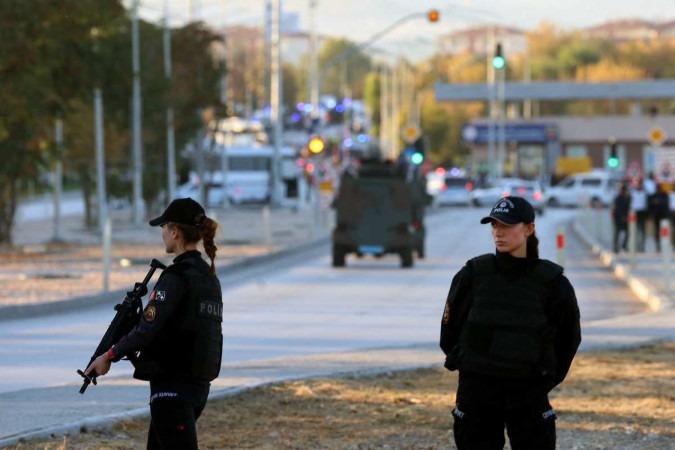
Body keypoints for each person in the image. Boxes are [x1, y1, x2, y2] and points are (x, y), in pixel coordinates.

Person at [439, 196, 581, 450]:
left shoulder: (552, 283)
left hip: (527, 391)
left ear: (529, 229)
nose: (498, 233)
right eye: (494, 225)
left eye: (507, 226)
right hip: (477, 391)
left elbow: (568, 339)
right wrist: (470, 364)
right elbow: (449, 332)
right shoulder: (472, 275)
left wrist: (542, 380)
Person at [85, 197, 223, 450]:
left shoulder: (176, 278)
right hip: (196, 388)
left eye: (163, 227)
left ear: (174, 231)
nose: (161, 233)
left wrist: (109, 355)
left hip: (172, 390)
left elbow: (146, 330)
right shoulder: (209, 277)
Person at [648, 184, 671, 252]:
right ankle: (658, 245)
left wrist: (658, 202)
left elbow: (665, 204)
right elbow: (651, 206)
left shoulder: (664, 195)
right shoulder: (653, 196)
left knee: (665, 231)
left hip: (664, 216)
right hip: (656, 216)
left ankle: (665, 245)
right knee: (657, 231)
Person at [611, 183, 631, 253]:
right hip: (618, 218)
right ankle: (616, 247)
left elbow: (628, 208)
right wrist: (622, 217)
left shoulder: (628, 198)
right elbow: (617, 209)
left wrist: (626, 217)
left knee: (628, 232)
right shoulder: (618, 198)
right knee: (617, 233)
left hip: (625, 218)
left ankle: (624, 245)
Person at [630, 178, 649, 252]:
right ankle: (635, 246)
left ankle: (642, 246)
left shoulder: (645, 193)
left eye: (640, 184)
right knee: (635, 230)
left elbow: (647, 204)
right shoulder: (633, 193)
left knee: (642, 231)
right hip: (635, 213)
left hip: (642, 213)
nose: (639, 186)